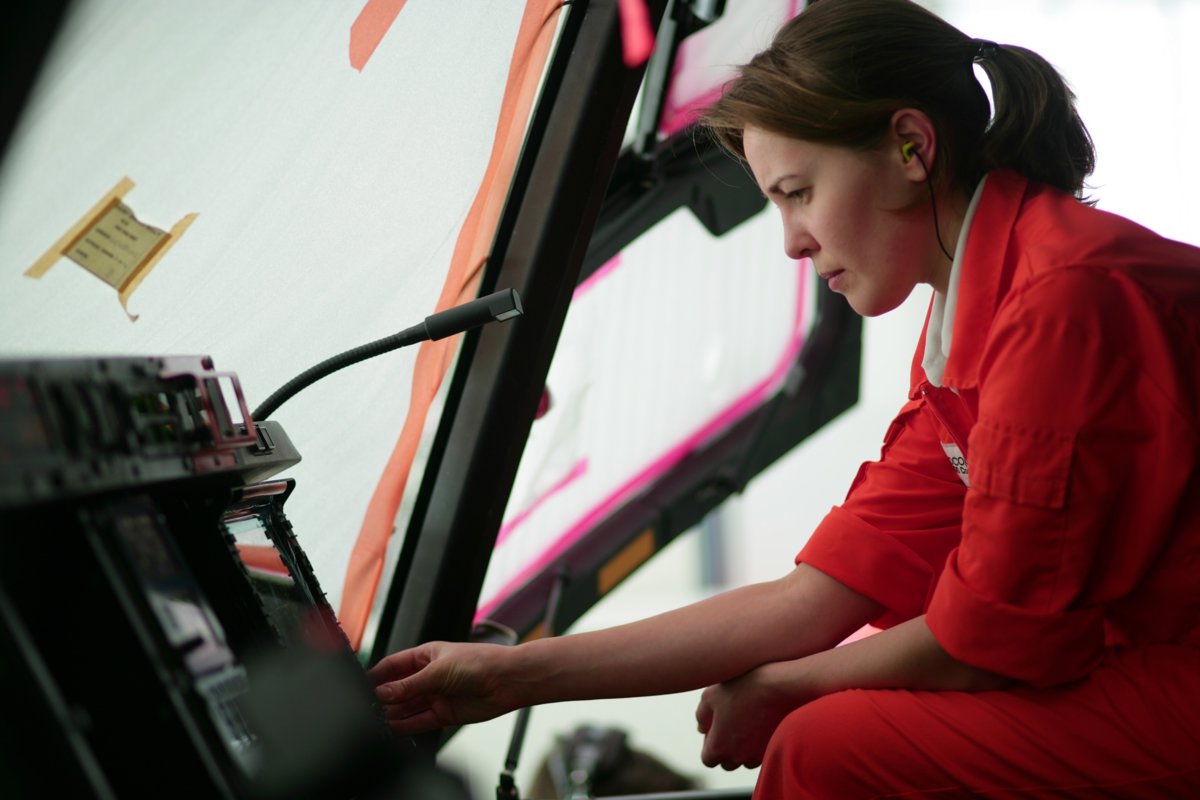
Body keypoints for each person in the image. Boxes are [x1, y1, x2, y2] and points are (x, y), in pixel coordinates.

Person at [369, 0, 1200, 795]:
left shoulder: (1055, 306)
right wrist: (511, 676)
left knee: (827, 745)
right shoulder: (975, 328)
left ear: (911, 147)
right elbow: (814, 599)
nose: (794, 243)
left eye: (798, 193)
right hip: (1148, 659)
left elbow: (990, 640)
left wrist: (794, 688)